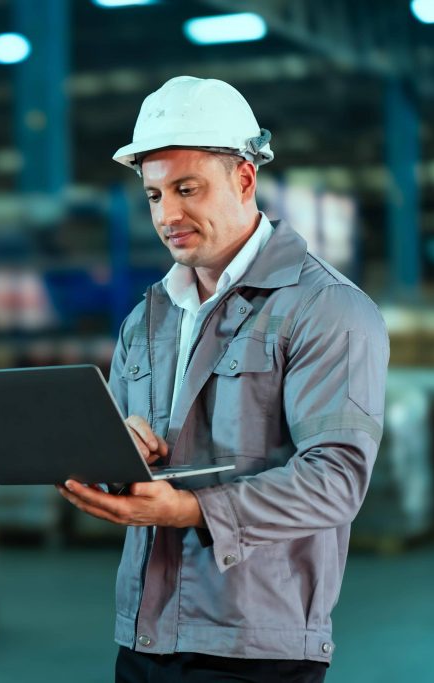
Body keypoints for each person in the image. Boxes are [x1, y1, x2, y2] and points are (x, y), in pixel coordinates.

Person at [56, 76, 389, 683]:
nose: (169, 215)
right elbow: (136, 459)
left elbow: (337, 479)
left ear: (244, 178)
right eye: (154, 195)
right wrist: (117, 451)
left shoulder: (327, 310)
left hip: (255, 648)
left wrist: (188, 509)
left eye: (187, 189)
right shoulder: (148, 317)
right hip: (143, 635)